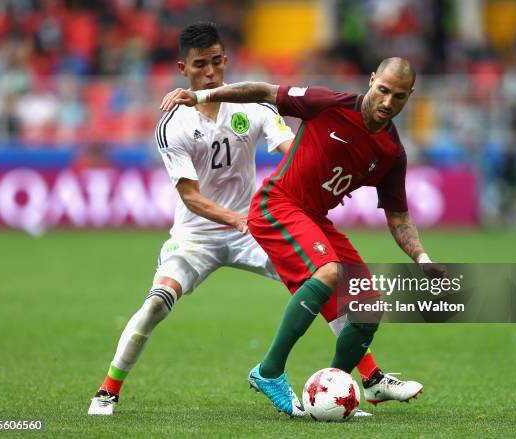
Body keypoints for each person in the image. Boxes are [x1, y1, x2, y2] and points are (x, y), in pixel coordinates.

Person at [87, 22, 399, 417]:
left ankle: (369, 378)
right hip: (196, 235)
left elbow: (294, 150)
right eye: (201, 65)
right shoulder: (172, 124)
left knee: (322, 279)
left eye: (217, 62)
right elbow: (190, 197)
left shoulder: (252, 108)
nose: (211, 72)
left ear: (226, 61)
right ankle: (108, 390)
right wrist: (236, 219)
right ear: (184, 68)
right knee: (156, 305)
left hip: (251, 229)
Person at [163, 57, 446, 416]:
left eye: (399, 96)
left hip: (313, 217)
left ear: (410, 97)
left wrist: (422, 258)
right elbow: (264, 91)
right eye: (383, 90)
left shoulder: (392, 152)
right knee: (327, 273)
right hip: (277, 205)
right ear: (372, 80)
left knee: (368, 304)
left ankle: (337, 387)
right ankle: (268, 372)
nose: (388, 102)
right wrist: (203, 97)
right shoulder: (328, 102)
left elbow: (398, 215)